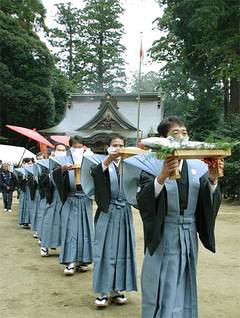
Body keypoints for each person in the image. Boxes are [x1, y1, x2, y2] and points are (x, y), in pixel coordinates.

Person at [135, 116, 223, 318]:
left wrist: (212, 180)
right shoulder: (151, 165)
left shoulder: (198, 167)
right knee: (162, 281)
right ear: (163, 138)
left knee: (185, 278)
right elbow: (143, 201)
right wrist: (162, 176)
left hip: (188, 232)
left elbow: (206, 204)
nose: (182, 137)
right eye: (176, 133)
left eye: (184, 132)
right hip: (165, 231)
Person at [88, 135, 137, 308]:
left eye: (121, 145)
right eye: (114, 145)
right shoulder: (102, 164)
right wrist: (110, 158)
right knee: (104, 251)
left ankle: (117, 289)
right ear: (108, 147)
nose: (118, 148)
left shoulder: (130, 165)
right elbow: (94, 173)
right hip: (107, 212)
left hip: (125, 212)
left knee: (122, 250)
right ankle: (102, 291)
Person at [52, 136, 94, 275]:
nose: (77, 149)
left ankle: (83, 260)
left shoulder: (89, 158)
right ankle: (70, 261)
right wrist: (62, 169)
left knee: (85, 230)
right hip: (70, 198)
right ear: (70, 147)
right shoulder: (63, 159)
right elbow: (53, 176)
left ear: (84, 147)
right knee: (70, 230)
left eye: (80, 146)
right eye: (75, 146)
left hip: (85, 198)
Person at [39, 143, 66, 256]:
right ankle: (44, 246)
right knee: (49, 221)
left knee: (64, 224)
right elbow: (43, 179)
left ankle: (64, 248)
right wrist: (54, 173)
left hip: (65, 198)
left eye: (63, 149)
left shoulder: (70, 162)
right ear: (54, 151)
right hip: (53, 196)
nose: (61, 151)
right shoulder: (48, 164)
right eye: (59, 149)